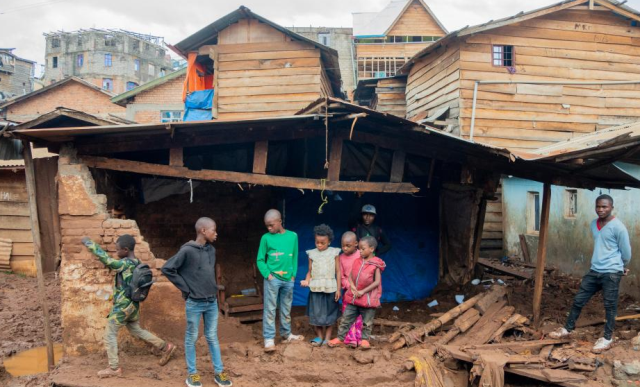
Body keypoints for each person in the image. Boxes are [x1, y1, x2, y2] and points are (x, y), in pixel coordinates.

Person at [80, 234, 175, 378]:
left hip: (123, 308)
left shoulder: (125, 264)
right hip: (132, 306)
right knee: (136, 330)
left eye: (117, 250)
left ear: (125, 250)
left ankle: (114, 367)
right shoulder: (136, 262)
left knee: (109, 334)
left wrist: (90, 244)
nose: (116, 252)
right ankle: (166, 347)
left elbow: (107, 260)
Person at [549, 194, 631, 354]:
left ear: (611, 207)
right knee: (579, 300)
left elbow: (626, 251)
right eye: (598, 206)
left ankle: (607, 338)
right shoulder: (594, 224)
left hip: (611, 272)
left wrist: (622, 266)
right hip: (595, 271)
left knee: (610, 305)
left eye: (604, 206)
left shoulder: (618, 227)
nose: (600, 209)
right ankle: (567, 329)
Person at [162, 217, 232, 387]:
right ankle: (192, 374)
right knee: (191, 337)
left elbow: (206, 274)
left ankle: (219, 372)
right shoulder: (187, 251)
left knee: (212, 337)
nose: (216, 233)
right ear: (203, 231)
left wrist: (213, 287)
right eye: (213, 230)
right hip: (194, 302)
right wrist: (186, 289)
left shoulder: (211, 250)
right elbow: (167, 268)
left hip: (211, 302)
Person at [256, 209, 304, 352]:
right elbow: (260, 259)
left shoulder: (293, 236)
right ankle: (269, 339)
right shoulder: (265, 238)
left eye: (271, 225)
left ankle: (286, 334)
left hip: (288, 278)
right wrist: (268, 275)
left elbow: (295, 256)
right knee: (270, 308)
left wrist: (293, 274)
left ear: (279, 221)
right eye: (267, 226)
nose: (269, 228)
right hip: (273, 278)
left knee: (286, 308)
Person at [328, 236, 386, 350]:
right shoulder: (357, 261)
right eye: (359, 248)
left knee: (367, 322)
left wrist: (363, 291)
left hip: (368, 299)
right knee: (346, 318)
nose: (360, 251)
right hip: (354, 297)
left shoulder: (376, 264)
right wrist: (353, 287)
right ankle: (340, 338)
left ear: (372, 249)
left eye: (363, 248)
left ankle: (364, 340)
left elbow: (377, 282)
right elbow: (350, 277)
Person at [300, 224, 342, 346]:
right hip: (315, 288)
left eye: (322, 243)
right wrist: (307, 280)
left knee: (331, 314)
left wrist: (338, 289)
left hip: (331, 288)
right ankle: (319, 337)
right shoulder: (311, 253)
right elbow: (310, 271)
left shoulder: (334, 252)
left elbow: (338, 271)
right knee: (315, 314)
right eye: (317, 242)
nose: (319, 245)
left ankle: (327, 338)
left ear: (329, 241)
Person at [338, 231, 363, 348]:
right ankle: (350, 338)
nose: (345, 248)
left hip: (360, 292)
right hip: (348, 292)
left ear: (356, 244)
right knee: (348, 315)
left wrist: (359, 288)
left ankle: (358, 338)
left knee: (359, 315)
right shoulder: (341, 258)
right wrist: (348, 286)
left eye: (348, 246)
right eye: (343, 246)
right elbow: (341, 275)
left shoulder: (361, 255)